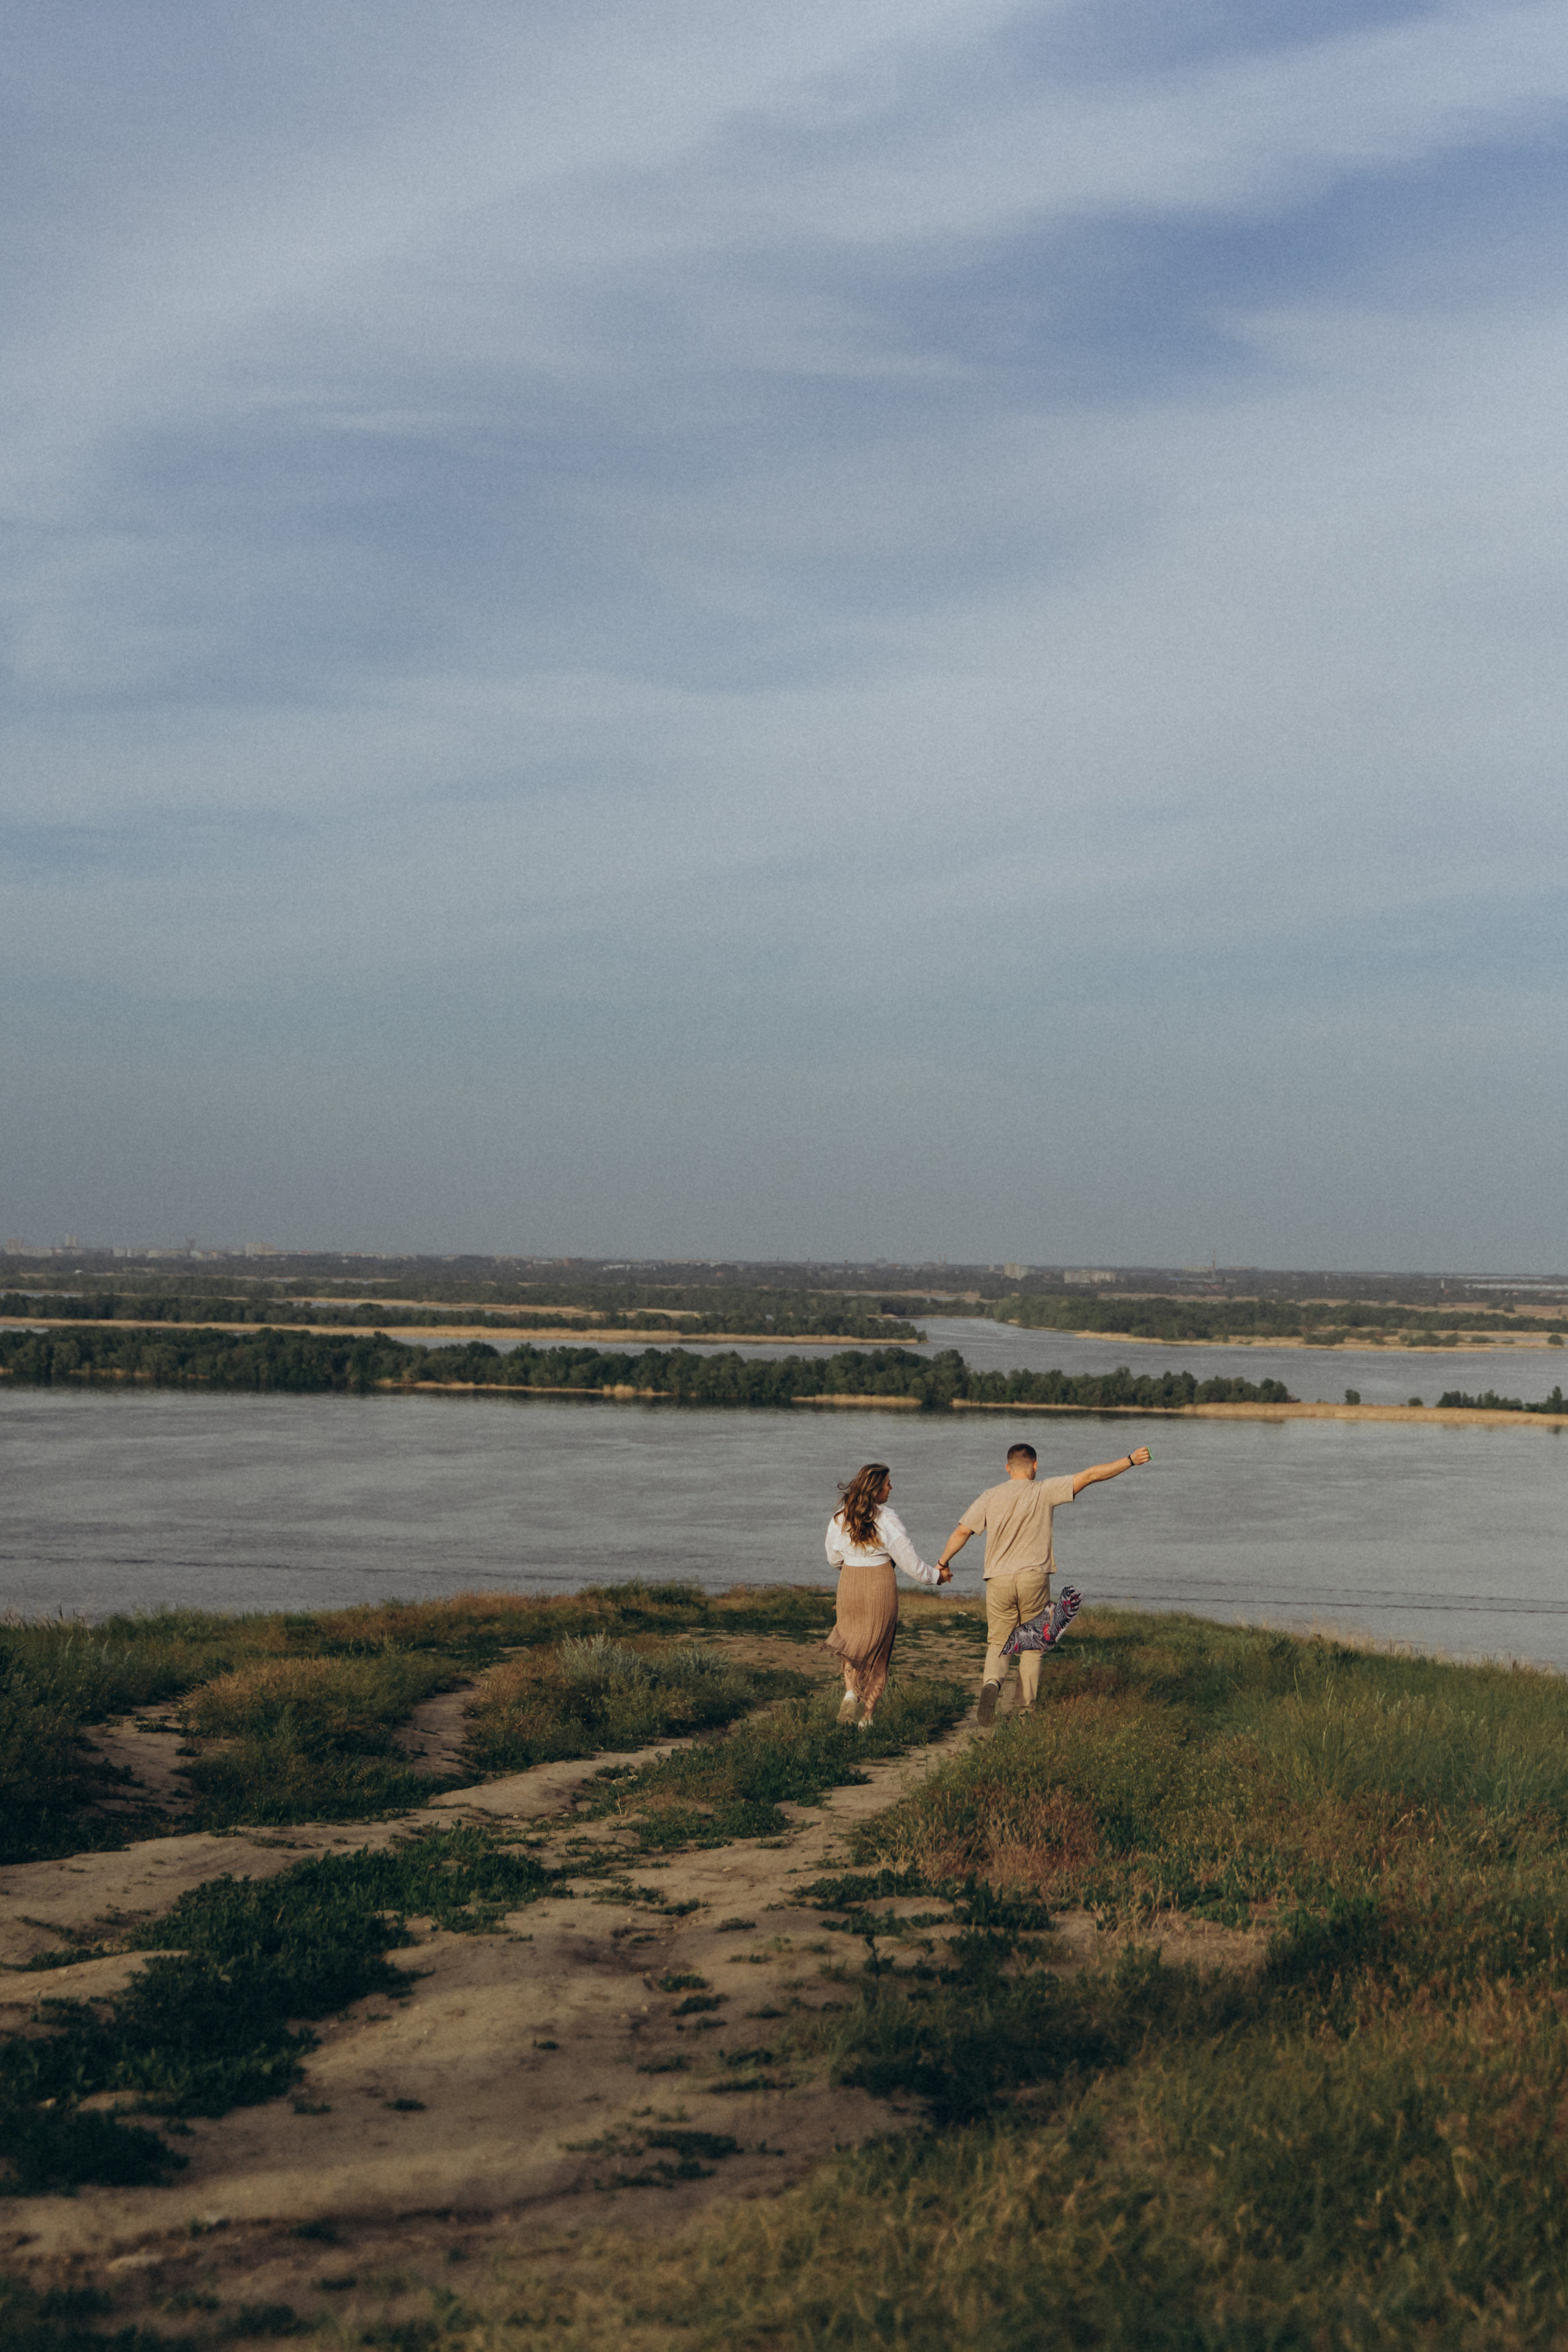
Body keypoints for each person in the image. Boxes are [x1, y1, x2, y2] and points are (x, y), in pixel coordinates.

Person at [935, 1439, 1149, 1725]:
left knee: (999, 1640)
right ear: (1035, 1466)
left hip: (998, 1579)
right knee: (1032, 1645)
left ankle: (992, 1684)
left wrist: (942, 1564)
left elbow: (962, 1531)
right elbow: (1090, 1475)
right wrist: (1130, 1460)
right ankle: (1025, 1713)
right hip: (1033, 1578)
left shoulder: (990, 1495)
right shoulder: (1044, 1490)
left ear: (1007, 1468)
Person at [824, 1461, 949, 1730]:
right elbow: (911, 1565)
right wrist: (937, 1577)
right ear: (876, 1489)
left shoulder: (840, 1517)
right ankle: (866, 1719)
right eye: (888, 1484)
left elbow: (833, 1558)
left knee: (851, 1643)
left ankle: (849, 1693)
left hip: (849, 1584)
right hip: (879, 1585)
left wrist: (851, 1564)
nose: (891, 1488)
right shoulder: (887, 1519)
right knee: (880, 1652)